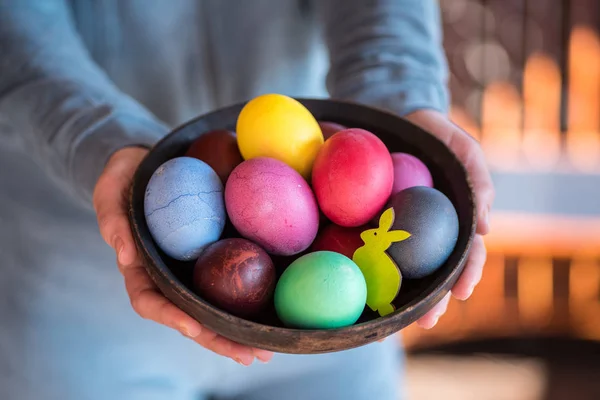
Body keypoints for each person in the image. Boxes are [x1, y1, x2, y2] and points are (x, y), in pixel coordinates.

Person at [0, 1, 495, 399]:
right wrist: (102, 140)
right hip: (83, 297)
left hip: (335, 303)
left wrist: (396, 105)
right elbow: (16, 31)